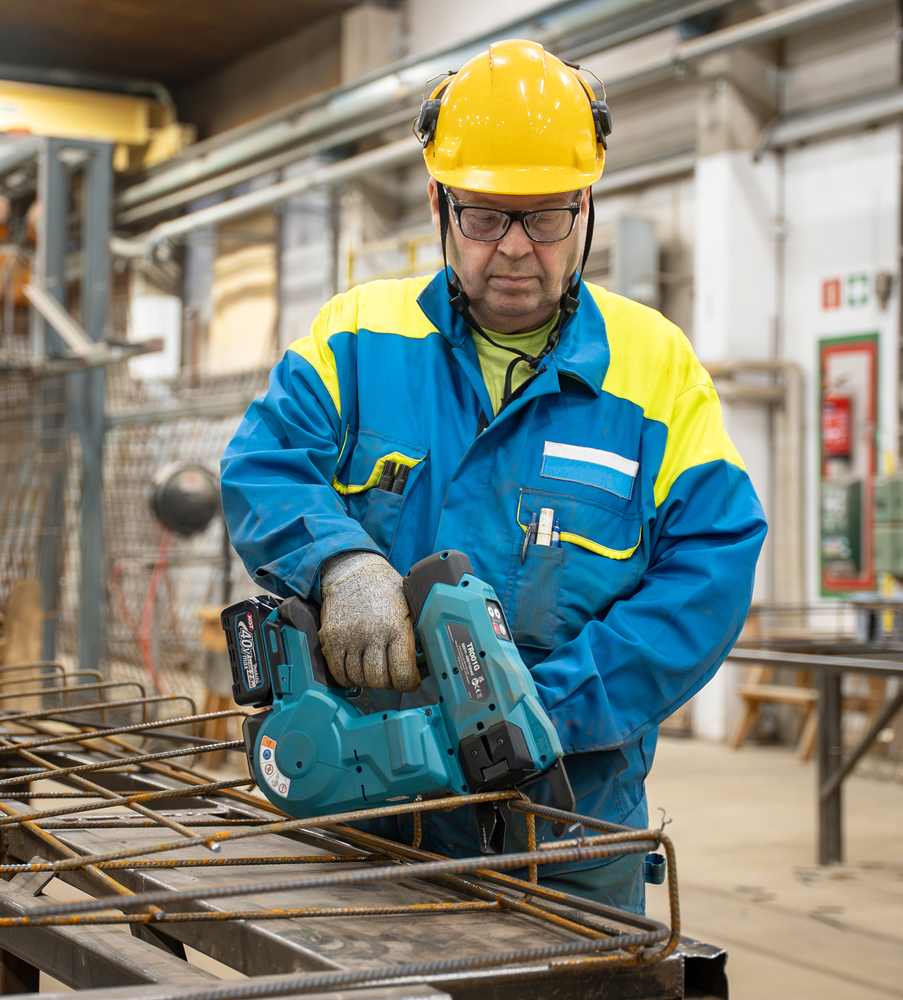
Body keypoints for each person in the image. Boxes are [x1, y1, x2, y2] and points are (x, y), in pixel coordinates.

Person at [221, 38, 767, 913]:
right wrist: (340, 562)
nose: (515, 249)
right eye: (484, 217)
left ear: (586, 206)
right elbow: (263, 466)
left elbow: (713, 567)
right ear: (440, 204)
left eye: (546, 216)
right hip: (364, 822)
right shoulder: (357, 336)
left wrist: (542, 710)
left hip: (567, 837)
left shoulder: (654, 367)